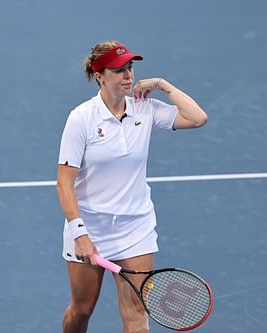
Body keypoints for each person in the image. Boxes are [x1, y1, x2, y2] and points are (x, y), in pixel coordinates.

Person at [57, 40, 208, 333]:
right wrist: (80, 234)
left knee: (137, 309)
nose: (128, 75)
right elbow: (64, 183)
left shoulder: (145, 107)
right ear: (99, 76)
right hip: (90, 226)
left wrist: (164, 85)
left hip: (135, 227)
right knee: (82, 310)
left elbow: (198, 118)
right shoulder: (81, 119)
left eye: (129, 67)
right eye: (118, 70)